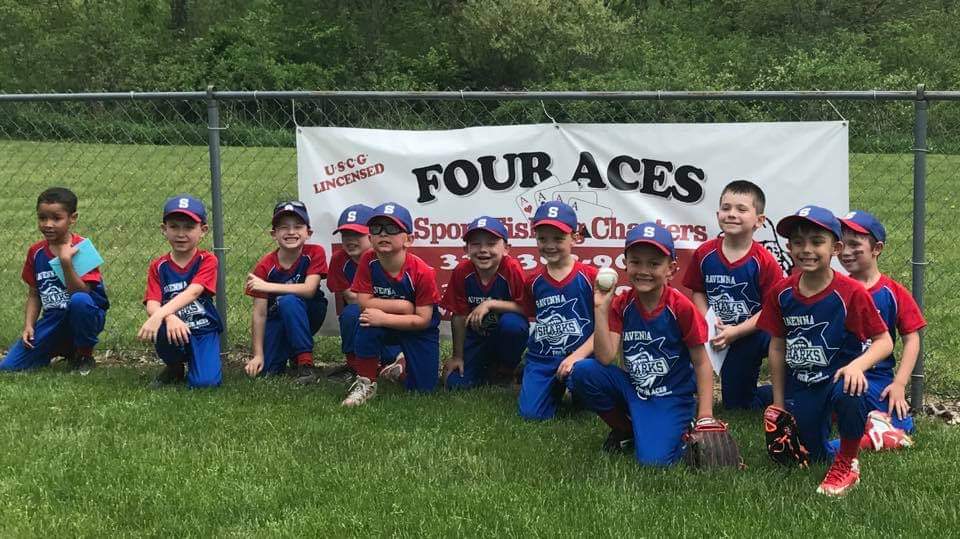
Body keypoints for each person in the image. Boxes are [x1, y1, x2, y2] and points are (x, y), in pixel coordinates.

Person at [758, 205, 892, 496]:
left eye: (817, 241)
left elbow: (884, 341)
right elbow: (778, 347)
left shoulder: (850, 293)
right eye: (797, 242)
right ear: (789, 247)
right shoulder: (781, 293)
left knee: (851, 390)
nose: (806, 249)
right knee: (811, 455)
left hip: (837, 380)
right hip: (804, 385)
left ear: (836, 247)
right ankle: (876, 434)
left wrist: (858, 365)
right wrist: (779, 403)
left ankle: (847, 463)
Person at [570, 222, 716, 464]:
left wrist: (705, 415)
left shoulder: (680, 307)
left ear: (671, 269)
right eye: (636, 261)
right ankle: (626, 429)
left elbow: (701, 363)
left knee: (654, 461)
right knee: (583, 372)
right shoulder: (623, 303)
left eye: (654, 264)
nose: (643, 270)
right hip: (635, 388)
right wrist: (600, 309)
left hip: (670, 395)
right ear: (625, 264)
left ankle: (682, 427)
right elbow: (605, 358)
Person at [682, 180, 784, 409]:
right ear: (718, 213)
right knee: (734, 404)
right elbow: (697, 290)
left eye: (741, 209)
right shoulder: (705, 253)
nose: (731, 214)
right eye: (726, 208)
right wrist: (707, 320)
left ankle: (784, 389)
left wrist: (736, 332)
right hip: (717, 333)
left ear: (759, 221)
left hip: (751, 333)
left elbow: (770, 309)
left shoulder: (764, 261)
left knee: (784, 339)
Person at [835, 210, 923, 450]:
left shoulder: (892, 291)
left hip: (876, 378)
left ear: (877, 249)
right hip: (839, 373)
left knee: (904, 423)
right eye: (842, 244)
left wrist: (899, 384)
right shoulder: (836, 288)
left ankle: (840, 446)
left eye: (855, 245)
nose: (846, 252)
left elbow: (912, 338)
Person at [341, 202, 441, 406]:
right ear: (370, 238)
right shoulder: (368, 260)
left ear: (408, 240)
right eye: (376, 229)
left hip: (418, 330)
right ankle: (366, 382)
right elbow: (363, 302)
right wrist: (403, 307)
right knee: (367, 321)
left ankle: (398, 370)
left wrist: (384, 316)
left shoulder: (422, 272)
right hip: (386, 322)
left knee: (423, 390)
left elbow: (423, 320)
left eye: (392, 228)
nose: (383, 234)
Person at [1, 187, 108, 374]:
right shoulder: (36, 252)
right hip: (54, 319)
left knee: (79, 302)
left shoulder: (82, 248)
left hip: (85, 315)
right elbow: (34, 294)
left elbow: (82, 294)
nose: (48, 224)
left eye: (56, 218)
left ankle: (83, 354)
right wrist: (29, 325)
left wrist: (66, 262)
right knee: (9, 367)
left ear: (72, 218)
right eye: (42, 218)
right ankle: (62, 348)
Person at [518, 201, 597, 420]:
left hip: (582, 358)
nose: (549, 245)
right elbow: (527, 311)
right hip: (543, 357)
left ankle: (579, 388)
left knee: (588, 406)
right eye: (542, 238)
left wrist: (576, 357)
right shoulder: (534, 281)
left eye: (559, 238)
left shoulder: (590, 276)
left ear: (575, 237)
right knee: (531, 414)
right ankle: (540, 384)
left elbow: (605, 328)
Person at [139, 194, 223, 389]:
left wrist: (160, 314)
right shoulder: (158, 266)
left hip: (203, 328)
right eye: (174, 226)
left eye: (189, 227)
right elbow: (152, 302)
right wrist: (168, 318)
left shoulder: (207, 260)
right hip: (172, 329)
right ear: (164, 229)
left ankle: (198, 362)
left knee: (205, 384)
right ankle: (175, 367)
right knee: (160, 326)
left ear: (203, 230)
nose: (181, 233)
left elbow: (193, 292)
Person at [244, 201, 329, 384]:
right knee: (268, 370)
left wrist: (268, 286)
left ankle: (305, 364)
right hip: (278, 318)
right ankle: (291, 351)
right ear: (274, 234)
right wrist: (257, 355)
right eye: (284, 228)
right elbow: (259, 314)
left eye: (298, 226)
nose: (291, 232)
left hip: (310, 311)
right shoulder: (265, 267)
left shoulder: (315, 252)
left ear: (309, 233)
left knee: (289, 301)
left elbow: (308, 290)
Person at [441, 216, 528, 389]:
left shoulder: (511, 268)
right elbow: (458, 315)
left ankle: (507, 369)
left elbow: (526, 307)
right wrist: (458, 356)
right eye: (475, 244)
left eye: (491, 243)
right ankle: (487, 367)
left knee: (514, 326)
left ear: (506, 249)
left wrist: (490, 304)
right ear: (466, 248)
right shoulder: (462, 271)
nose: (483, 250)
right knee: (455, 385)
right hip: (476, 335)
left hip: (504, 331)